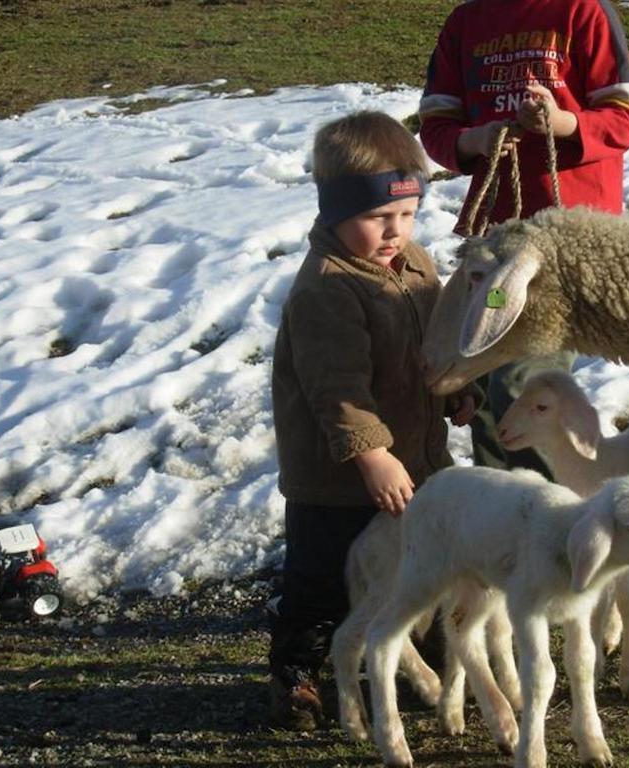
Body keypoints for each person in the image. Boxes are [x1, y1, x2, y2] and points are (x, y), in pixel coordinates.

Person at [268, 110, 478, 731]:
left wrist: (457, 394)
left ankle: (428, 652)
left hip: (414, 460)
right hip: (335, 479)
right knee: (324, 578)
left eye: (407, 215)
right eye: (376, 218)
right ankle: (296, 674)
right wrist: (370, 454)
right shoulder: (327, 289)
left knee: (420, 561)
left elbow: (433, 346)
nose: (395, 232)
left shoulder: (415, 265)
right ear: (334, 211)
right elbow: (336, 389)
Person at [419, 0, 629, 477]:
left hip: (568, 250)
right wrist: (476, 140)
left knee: (524, 384)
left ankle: (544, 513)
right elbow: (436, 126)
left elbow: (625, 117)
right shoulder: (466, 22)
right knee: (480, 377)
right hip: (498, 251)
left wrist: (564, 124)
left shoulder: (583, 12)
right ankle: (499, 511)